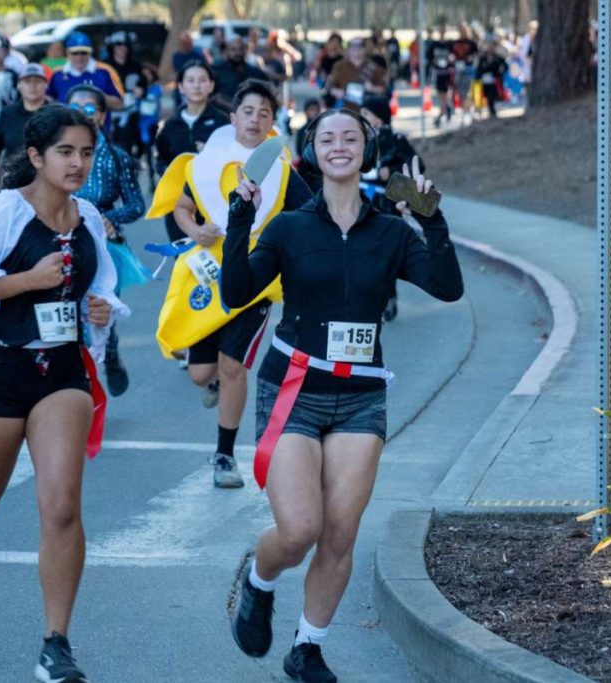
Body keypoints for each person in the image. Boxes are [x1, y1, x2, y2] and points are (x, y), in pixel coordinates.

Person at [222, 108, 463, 682]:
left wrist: (431, 219)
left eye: (350, 137)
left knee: (340, 531)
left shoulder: (389, 231)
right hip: (296, 389)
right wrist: (240, 220)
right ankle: (259, 576)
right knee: (300, 529)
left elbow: (448, 288)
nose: (339, 146)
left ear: (366, 150)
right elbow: (235, 292)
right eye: (326, 138)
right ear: (312, 152)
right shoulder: (287, 228)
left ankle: (307, 647)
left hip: (360, 398)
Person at [0, 105, 127, 682]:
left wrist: (101, 309)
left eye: (87, 152)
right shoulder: (4, 213)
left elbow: (103, 284)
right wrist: (29, 281)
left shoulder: (87, 216)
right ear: (36, 157)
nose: (78, 163)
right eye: (65, 151)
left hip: (61, 373)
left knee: (61, 505)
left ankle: (56, 643)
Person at [147, 79, 313, 488]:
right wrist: (195, 227)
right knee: (201, 374)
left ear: (273, 122)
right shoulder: (207, 161)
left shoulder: (280, 168)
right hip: (208, 272)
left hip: (255, 281)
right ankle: (216, 379)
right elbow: (182, 206)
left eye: (264, 113)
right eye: (248, 111)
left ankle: (224, 455)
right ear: (233, 117)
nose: (255, 119)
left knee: (234, 367)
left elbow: (310, 214)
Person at [68, 84, 149, 398]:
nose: (82, 114)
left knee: (100, 313)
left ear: (101, 115)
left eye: (89, 109)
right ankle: (77, 384)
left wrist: (109, 219)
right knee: (70, 314)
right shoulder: (53, 155)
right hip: (62, 243)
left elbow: (136, 205)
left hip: (105, 248)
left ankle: (110, 353)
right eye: (75, 108)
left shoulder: (117, 158)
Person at [359, 96, 427, 322]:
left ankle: (388, 296)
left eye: (366, 114)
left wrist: (392, 169)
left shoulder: (396, 140)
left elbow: (418, 165)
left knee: (385, 255)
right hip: (361, 204)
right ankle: (371, 299)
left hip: (388, 205)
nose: (363, 118)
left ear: (378, 117)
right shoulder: (359, 140)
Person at [153, 60, 228, 242]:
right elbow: (160, 160)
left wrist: (211, 156)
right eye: (190, 80)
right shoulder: (170, 125)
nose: (196, 85)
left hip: (214, 204)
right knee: (183, 260)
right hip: (179, 205)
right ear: (180, 86)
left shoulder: (223, 123)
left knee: (215, 262)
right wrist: (171, 173)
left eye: (202, 80)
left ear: (210, 86)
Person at [0, 63, 51, 180]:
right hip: (13, 176)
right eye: (27, 82)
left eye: (38, 81)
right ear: (19, 85)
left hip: (47, 176)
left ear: (46, 85)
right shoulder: (8, 113)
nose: (33, 86)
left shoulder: (56, 113)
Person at [46, 32, 123, 112]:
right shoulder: (57, 74)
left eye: (84, 52)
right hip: (67, 123)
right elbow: (48, 99)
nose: (79, 57)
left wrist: (98, 96)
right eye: (75, 53)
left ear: (90, 52)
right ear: (67, 53)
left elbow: (120, 104)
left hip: (97, 123)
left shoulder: (105, 71)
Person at [103, 31, 146, 159]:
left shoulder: (135, 66)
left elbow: (143, 85)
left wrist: (141, 91)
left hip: (130, 110)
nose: (122, 48)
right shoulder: (105, 66)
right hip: (109, 110)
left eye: (125, 45)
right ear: (112, 47)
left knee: (127, 144)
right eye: (118, 45)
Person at [325, 37, 387, 109]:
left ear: (364, 49)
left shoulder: (372, 66)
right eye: (353, 48)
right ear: (348, 50)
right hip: (344, 108)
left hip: (366, 109)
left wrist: (372, 88)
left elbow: (383, 89)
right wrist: (336, 91)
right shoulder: (339, 66)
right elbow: (328, 86)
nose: (356, 51)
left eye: (359, 47)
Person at [212, 36, 268, 111]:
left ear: (245, 50)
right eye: (233, 49)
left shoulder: (256, 73)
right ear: (227, 51)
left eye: (240, 49)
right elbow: (212, 97)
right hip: (222, 117)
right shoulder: (216, 70)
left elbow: (265, 96)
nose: (237, 53)